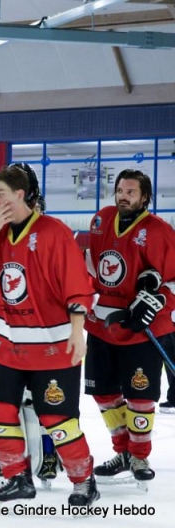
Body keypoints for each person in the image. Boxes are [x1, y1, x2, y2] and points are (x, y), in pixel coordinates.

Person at [0, 165, 99, 505]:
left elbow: (78, 287)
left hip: (52, 344)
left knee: (56, 418)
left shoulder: (54, 233)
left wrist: (78, 333)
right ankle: (17, 478)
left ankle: (84, 481)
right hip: (3, 342)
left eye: (0, 195)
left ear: (20, 195)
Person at [84, 169, 175, 485]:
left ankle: (139, 456)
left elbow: (173, 283)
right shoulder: (101, 220)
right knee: (104, 394)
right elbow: (89, 268)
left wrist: (155, 302)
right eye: (120, 190)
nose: (123, 196)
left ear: (145, 197)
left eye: (131, 192)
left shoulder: (159, 231)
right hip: (100, 326)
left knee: (140, 399)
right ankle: (122, 451)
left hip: (140, 330)